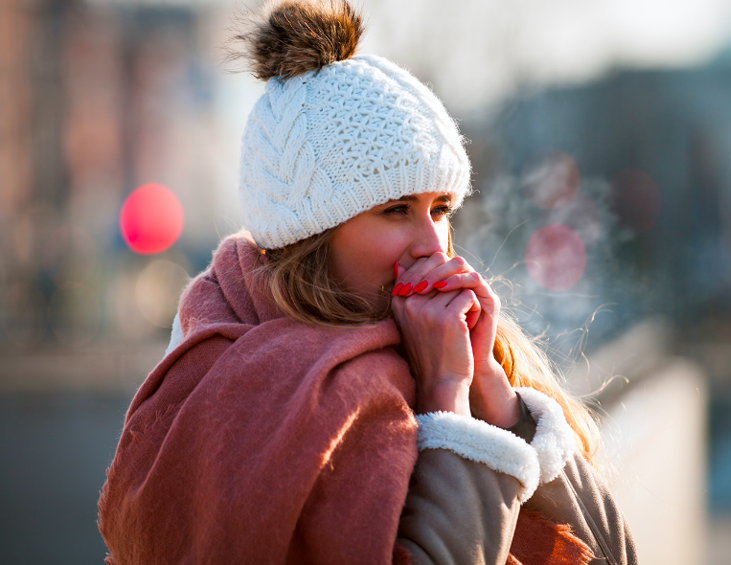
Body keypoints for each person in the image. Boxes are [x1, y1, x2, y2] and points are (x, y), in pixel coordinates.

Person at [98, 1, 638, 564]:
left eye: (441, 207)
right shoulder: (239, 381)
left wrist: (497, 401)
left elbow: (615, 555)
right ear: (312, 238)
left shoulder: (464, 351)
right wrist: (446, 403)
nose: (432, 243)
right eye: (397, 209)